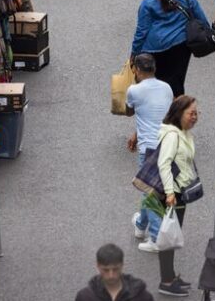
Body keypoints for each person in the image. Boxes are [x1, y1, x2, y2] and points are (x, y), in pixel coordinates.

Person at [132, 0, 207, 102]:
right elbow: (203, 21)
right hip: (181, 48)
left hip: (154, 50)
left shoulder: (147, 3)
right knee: (177, 85)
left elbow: (141, 32)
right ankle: (176, 115)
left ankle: (160, 114)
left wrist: (134, 54)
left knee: (156, 87)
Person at [127, 53, 174, 249]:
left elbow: (130, 110)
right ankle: (140, 225)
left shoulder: (134, 91)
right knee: (151, 189)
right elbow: (158, 115)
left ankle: (155, 238)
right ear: (154, 69)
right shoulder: (167, 88)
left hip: (149, 149)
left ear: (136, 70)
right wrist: (136, 134)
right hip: (168, 144)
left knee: (151, 193)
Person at [154, 94, 199, 297]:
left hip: (179, 192)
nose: (195, 117)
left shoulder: (183, 133)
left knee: (171, 235)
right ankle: (166, 281)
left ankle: (170, 276)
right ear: (179, 114)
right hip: (173, 194)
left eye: (197, 113)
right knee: (168, 237)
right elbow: (164, 163)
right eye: (191, 113)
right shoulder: (173, 135)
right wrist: (170, 193)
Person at [76, 243, 155, 301]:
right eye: (106, 270)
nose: (111, 275)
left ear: (122, 265)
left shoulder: (142, 297)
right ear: (98, 266)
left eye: (115, 269)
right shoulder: (85, 297)